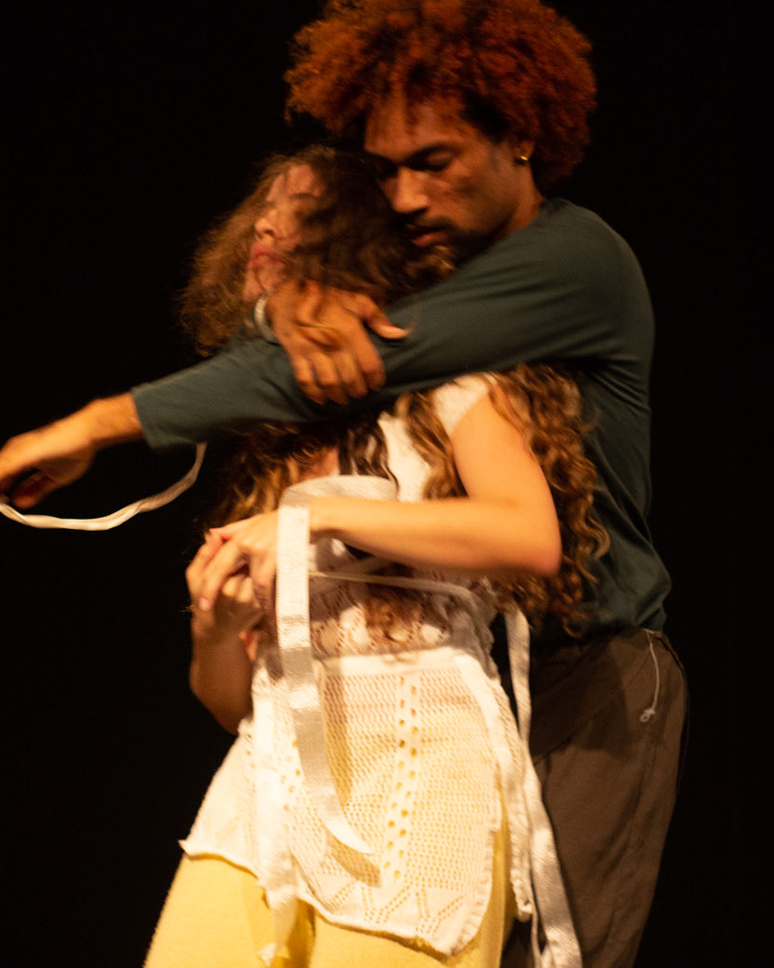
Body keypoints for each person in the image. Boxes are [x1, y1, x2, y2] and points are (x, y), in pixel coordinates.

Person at [0, 0, 683, 967]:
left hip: (584, 669)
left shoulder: (574, 260)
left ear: (519, 134)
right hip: (462, 666)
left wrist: (93, 426)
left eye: (435, 160)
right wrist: (309, 308)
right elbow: (323, 355)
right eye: (387, 173)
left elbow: (356, 364)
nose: (409, 195)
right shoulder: (432, 267)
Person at [143, 146, 597, 967]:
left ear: (359, 240)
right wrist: (214, 629)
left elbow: (528, 535)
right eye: (262, 211)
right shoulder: (276, 440)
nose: (266, 227)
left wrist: (314, 519)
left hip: (420, 767)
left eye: (299, 212)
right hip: (267, 783)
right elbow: (228, 702)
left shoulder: (455, 389)